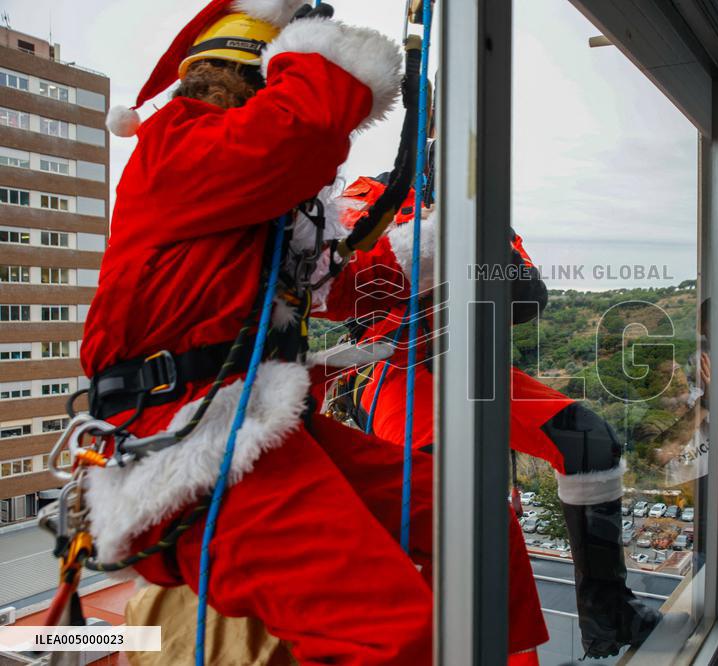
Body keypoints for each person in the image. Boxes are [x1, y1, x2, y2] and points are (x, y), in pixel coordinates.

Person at [81, 2, 440, 662]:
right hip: (186, 441)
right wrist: (313, 53)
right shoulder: (177, 143)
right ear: (255, 81)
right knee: (390, 635)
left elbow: (328, 282)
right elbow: (303, 127)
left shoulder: (240, 201)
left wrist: (425, 254)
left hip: (246, 423)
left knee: (468, 517)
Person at [310, 175, 661, 659]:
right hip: (394, 368)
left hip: (472, 365)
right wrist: (435, 237)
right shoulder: (370, 195)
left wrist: (472, 232)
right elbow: (336, 285)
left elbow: (527, 297)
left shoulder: (483, 209)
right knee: (458, 507)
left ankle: (607, 610)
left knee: (590, 442)